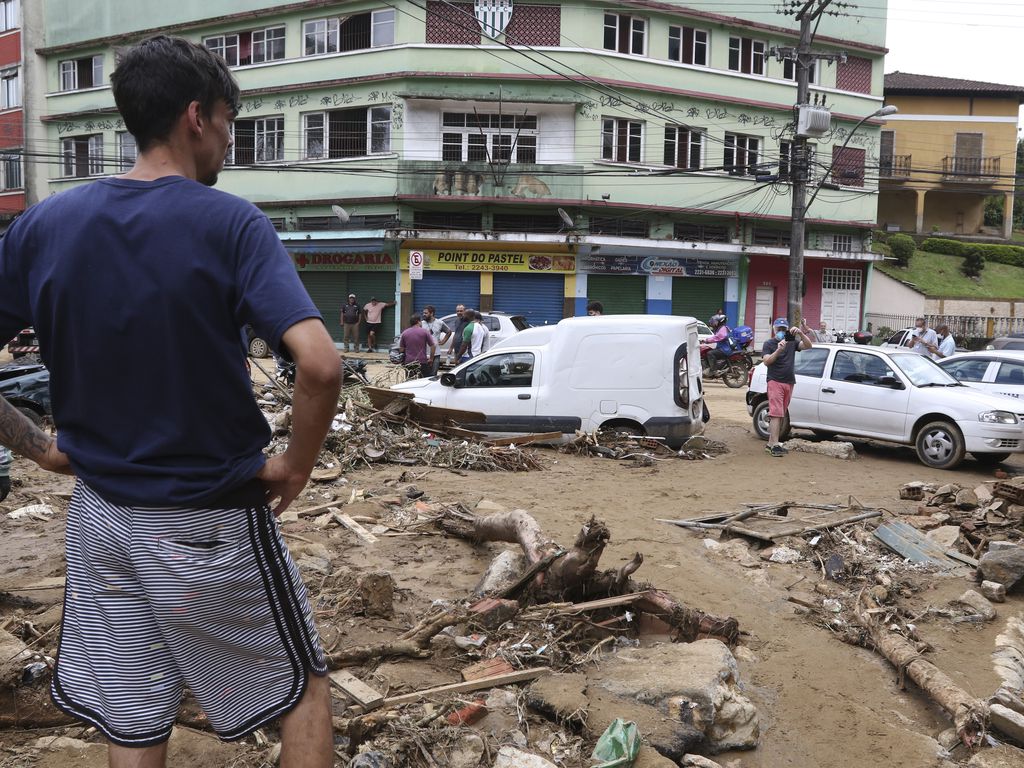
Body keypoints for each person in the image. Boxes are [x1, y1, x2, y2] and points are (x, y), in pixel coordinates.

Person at [0, 36, 341, 768]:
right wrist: (296, 467)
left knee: (133, 712)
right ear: (196, 117)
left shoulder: (42, 228)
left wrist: (43, 449)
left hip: (101, 522)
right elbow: (319, 365)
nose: (229, 138)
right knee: (304, 690)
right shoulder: (231, 224)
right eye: (229, 119)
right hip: (208, 519)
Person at [761, 317, 813, 458]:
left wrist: (801, 333)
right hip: (775, 381)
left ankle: (771, 444)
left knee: (780, 414)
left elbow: (809, 346)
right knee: (776, 413)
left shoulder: (791, 342)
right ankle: (775, 445)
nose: (781, 332)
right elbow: (766, 361)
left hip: (789, 382)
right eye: (779, 329)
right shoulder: (769, 344)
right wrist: (778, 351)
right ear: (774, 329)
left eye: (784, 329)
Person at [421, 305, 451, 374]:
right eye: (423, 313)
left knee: (433, 374)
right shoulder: (421, 323)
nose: (424, 315)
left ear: (431, 313)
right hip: (424, 353)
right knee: (424, 375)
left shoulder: (439, 323)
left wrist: (443, 341)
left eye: (426, 313)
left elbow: (448, 332)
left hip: (436, 354)